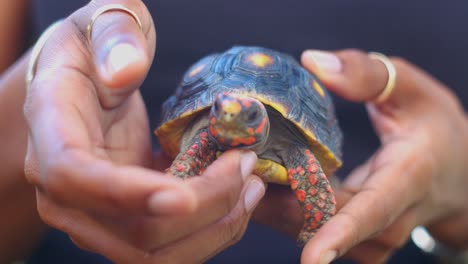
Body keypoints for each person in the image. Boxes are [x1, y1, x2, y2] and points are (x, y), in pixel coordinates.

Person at [0, 0, 466, 263]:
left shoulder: (291, 146)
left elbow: (304, 157)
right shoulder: (211, 128)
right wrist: (40, 103)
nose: (226, 123)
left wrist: (457, 208)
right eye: (223, 114)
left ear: (260, 121)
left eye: (241, 117)